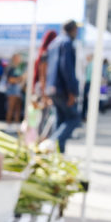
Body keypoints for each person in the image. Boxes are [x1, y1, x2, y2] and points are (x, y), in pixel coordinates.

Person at [47, 20, 81, 152]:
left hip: (53, 87)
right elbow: (67, 68)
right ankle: (52, 143)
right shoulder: (66, 43)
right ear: (73, 30)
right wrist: (72, 91)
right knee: (74, 118)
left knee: (61, 119)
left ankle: (58, 152)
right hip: (62, 88)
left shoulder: (54, 43)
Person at [5, 53, 26, 125]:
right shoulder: (11, 68)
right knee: (11, 107)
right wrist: (21, 78)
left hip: (18, 90)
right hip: (12, 90)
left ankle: (16, 124)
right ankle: (8, 123)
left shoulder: (19, 68)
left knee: (18, 108)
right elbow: (10, 80)